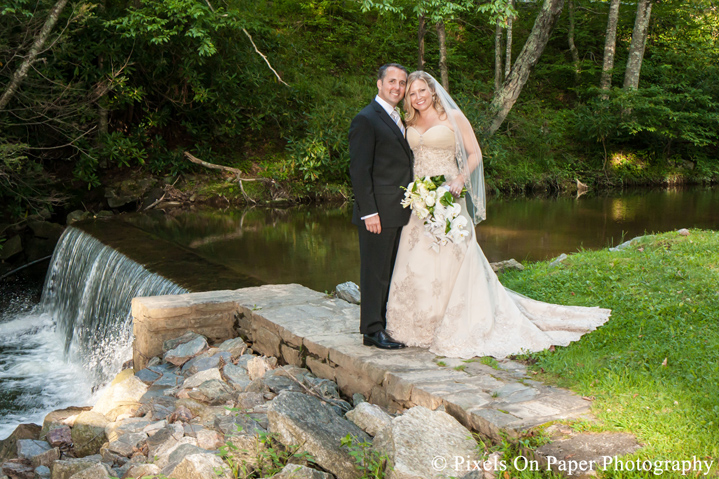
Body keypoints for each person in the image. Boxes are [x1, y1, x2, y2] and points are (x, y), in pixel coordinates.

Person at [385, 71, 611, 358]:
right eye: (412, 94)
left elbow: (474, 153)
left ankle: (456, 320)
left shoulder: (453, 117)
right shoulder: (408, 122)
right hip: (420, 200)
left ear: (432, 90)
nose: (417, 98)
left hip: (448, 195)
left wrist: (460, 179)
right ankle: (417, 325)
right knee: (418, 259)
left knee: (453, 256)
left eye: (421, 91)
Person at [349, 63, 414, 349]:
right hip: (378, 212)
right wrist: (369, 212)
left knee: (390, 270)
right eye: (392, 81)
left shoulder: (400, 118)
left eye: (402, 83)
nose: (397, 87)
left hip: (399, 210)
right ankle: (372, 331)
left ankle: (384, 324)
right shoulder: (367, 118)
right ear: (379, 83)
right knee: (374, 271)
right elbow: (359, 170)